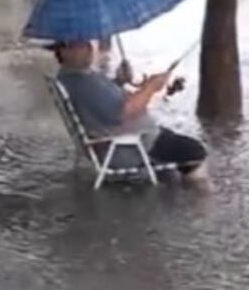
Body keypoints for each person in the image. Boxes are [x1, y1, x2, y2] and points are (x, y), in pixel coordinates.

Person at [51, 40, 209, 184]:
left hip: (128, 138)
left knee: (174, 141)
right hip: (131, 146)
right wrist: (151, 88)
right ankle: (199, 200)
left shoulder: (73, 77)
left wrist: (120, 81)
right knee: (195, 151)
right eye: (79, 44)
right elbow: (122, 113)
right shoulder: (84, 83)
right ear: (63, 51)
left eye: (87, 43)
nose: (89, 48)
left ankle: (177, 186)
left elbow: (107, 102)